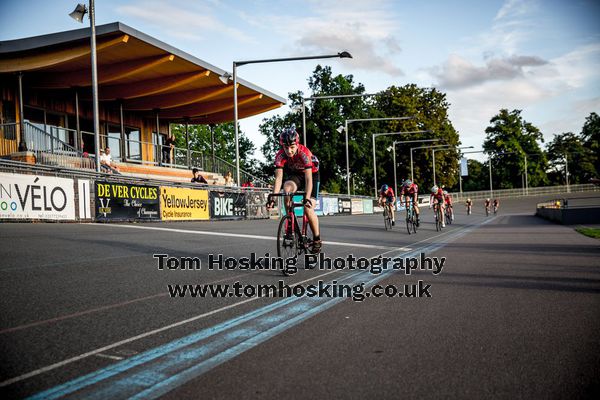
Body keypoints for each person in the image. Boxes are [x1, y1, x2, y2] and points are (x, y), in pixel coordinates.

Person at [266, 126, 322, 253]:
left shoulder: (304, 153)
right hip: (296, 175)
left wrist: (307, 198)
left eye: (292, 147)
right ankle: (290, 225)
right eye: (286, 147)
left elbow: (308, 179)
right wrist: (273, 198)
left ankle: (317, 239)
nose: (289, 151)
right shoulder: (280, 155)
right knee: (286, 190)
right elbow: (278, 179)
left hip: (311, 175)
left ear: (297, 144)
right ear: (282, 146)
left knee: (308, 208)